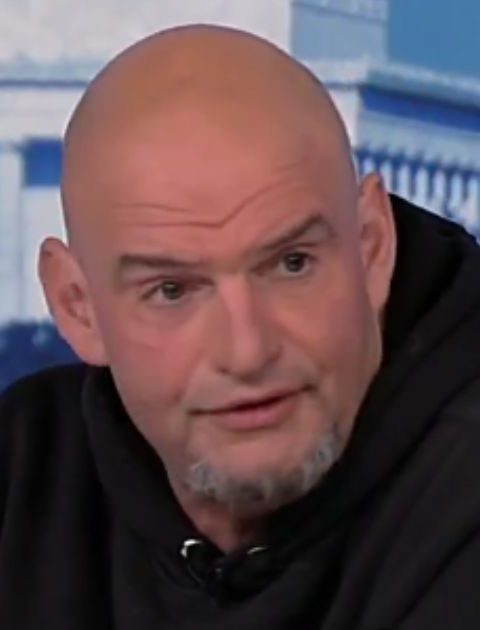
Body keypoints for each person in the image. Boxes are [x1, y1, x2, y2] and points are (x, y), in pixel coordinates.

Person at [1, 24, 480, 630]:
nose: (248, 351)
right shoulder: (25, 479)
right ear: (78, 306)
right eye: (172, 291)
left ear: (371, 247)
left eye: (292, 264)